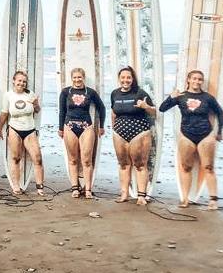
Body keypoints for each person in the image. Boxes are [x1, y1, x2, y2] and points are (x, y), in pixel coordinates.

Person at [159, 69, 223, 210]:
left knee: (208, 167)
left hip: (206, 135)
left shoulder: (208, 97)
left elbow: (220, 112)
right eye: (194, 78)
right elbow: (162, 109)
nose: (197, 81)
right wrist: (171, 97)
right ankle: (185, 199)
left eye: (200, 79)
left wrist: (219, 131)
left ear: (202, 81)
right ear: (188, 80)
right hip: (186, 135)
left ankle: (213, 200)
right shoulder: (180, 96)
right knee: (186, 167)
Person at [110, 66, 156, 205]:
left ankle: (142, 196)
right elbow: (113, 112)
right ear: (119, 79)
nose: (126, 80)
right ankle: (124, 194)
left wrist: (145, 107)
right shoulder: (114, 94)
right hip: (119, 133)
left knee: (140, 164)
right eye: (123, 77)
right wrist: (114, 128)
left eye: (128, 77)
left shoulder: (140, 93)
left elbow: (154, 112)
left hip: (139, 132)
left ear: (132, 79)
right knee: (123, 164)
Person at [58, 67, 106, 199]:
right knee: (73, 159)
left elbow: (102, 108)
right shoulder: (65, 92)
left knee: (86, 160)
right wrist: (60, 128)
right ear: (71, 78)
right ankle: (75, 188)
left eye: (79, 77)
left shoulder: (90, 92)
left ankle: (88, 189)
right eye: (75, 77)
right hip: (69, 126)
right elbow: (62, 110)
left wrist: (101, 126)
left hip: (86, 127)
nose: (77, 79)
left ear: (83, 78)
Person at [0, 70, 45, 196]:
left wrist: (36, 105)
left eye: (24, 81)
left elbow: (37, 110)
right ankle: (16, 186)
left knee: (38, 158)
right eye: (19, 80)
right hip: (14, 129)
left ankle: (40, 187)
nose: (21, 83)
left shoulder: (30, 94)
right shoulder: (8, 95)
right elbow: (4, 113)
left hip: (30, 130)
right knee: (16, 158)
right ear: (14, 81)